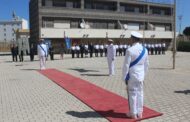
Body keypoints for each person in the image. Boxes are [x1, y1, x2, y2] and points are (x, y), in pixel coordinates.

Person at [122, 31, 149, 119]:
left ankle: (133, 113)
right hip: (141, 76)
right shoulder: (145, 50)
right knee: (140, 94)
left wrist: (124, 77)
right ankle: (140, 112)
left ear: (133, 39)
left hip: (132, 75)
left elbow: (126, 65)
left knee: (132, 94)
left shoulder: (129, 50)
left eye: (131, 38)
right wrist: (144, 75)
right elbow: (146, 64)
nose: (130, 39)